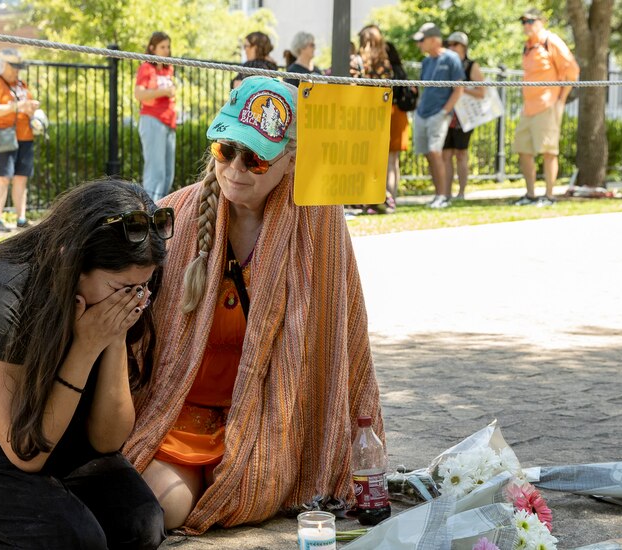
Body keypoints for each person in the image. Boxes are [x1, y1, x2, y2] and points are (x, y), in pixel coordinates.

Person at [121, 76, 384, 534]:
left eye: (257, 159)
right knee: (160, 510)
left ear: (291, 159)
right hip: (183, 410)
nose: (236, 169)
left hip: (269, 417)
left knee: (250, 488)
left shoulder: (319, 224)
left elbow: (341, 336)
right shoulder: (174, 214)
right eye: (226, 150)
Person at [0, 179, 171, 549]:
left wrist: (114, 337)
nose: (134, 300)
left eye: (141, 287)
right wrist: (86, 347)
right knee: (74, 544)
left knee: (141, 528)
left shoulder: (126, 290)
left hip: (53, 426)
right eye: (122, 289)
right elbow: (26, 452)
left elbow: (107, 440)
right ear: (71, 261)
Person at [513, 9, 579, 207]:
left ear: (541, 21)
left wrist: (561, 100)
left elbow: (572, 70)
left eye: (530, 21)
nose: (526, 25)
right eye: (523, 21)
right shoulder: (528, 46)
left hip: (548, 105)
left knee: (549, 151)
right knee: (523, 149)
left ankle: (549, 196)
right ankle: (530, 195)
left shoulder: (551, 41)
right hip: (528, 108)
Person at [351, 24, 408, 213]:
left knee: (368, 159)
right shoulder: (386, 63)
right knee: (391, 160)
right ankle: (390, 198)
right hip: (385, 113)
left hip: (365, 116)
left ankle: (372, 198)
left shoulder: (358, 61)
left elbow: (352, 88)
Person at [0, 48, 39, 232]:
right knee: (3, 178)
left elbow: (26, 108)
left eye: (18, 67)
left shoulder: (21, 85)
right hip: (4, 135)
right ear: (3, 65)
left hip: (25, 135)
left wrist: (31, 108)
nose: (16, 70)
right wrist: (17, 106)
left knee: (21, 177)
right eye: (13, 67)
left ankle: (21, 218)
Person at [412, 22, 464, 209]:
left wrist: (444, 111)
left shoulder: (451, 58)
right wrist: (418, 109)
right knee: (428, 154)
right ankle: (437, 195)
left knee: (435, 152)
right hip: (422, 113)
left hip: (439, 114)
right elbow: (424, 89)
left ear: (434, 40)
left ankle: (443, 196)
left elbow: (459, 89)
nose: (419, 44)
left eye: (422, 40)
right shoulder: (426, 62)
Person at [442, 32, 486, 201]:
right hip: (446, 114)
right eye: (449, 44)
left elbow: (481, 92)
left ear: (463, 47)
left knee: (461, 154)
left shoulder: (471, 66)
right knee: (446, 155)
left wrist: (461, 88)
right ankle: (446, 193)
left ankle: (461, 193)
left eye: (455, 44)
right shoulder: (445, 65)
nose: (451, 47)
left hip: (464, 117)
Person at [136, 32, 178, 202]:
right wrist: (164, 91)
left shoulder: (169, 69)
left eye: (168, 47)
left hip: (169, 122)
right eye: (162, 47)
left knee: (168, 173)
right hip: (152, 120)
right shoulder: (146, 68)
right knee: (156, 173)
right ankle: (149, 209)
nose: (166, 50)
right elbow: (139, 94)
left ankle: (160, 208)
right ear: (152, 48)